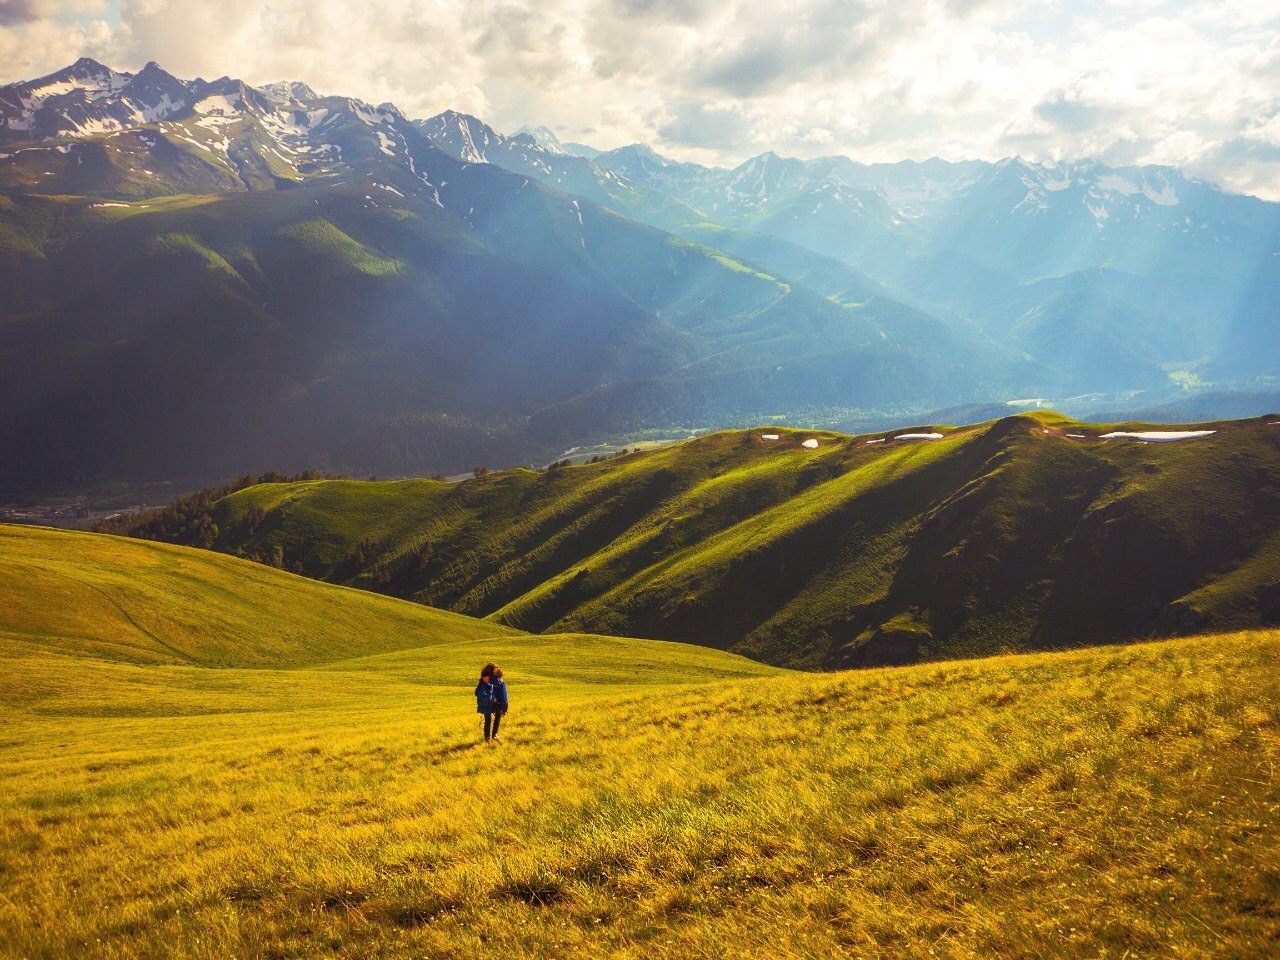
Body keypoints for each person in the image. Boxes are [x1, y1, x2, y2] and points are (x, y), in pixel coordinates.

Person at [474, 662, 509, 743]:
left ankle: (487, 738)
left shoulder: (484, 680)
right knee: (497, 717)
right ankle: (495, 735)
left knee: (487, 719)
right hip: (496, 703)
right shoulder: (499, 681)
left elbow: (476, 693)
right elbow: (503, 696)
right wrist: (504, 708)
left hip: (485, 704)